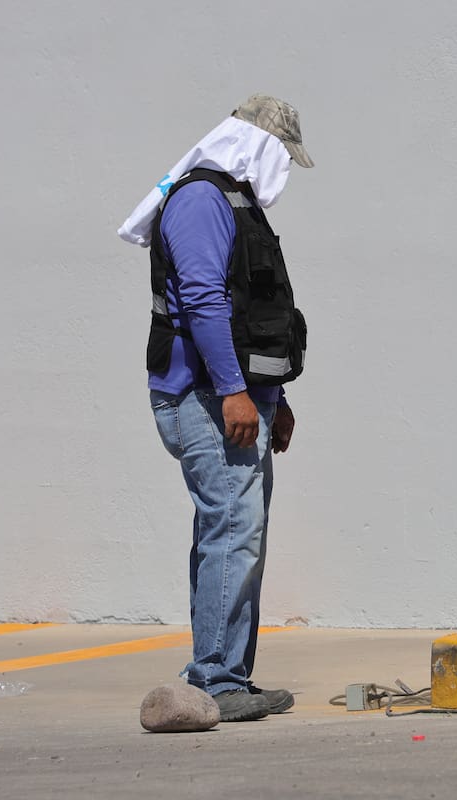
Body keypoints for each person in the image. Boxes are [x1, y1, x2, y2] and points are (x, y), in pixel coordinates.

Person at [118, 94, 314, 722]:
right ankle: (216, 679)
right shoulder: (202, 201)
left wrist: (272, 398)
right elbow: (203, 302)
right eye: (282, 154)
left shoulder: (235, 202)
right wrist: (234, 390)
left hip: (234, 396)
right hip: (205, 397)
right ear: (255, 145)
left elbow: (255, 311)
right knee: (232, 531)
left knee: (234, 532)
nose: (283, 169)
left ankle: (223, 674)